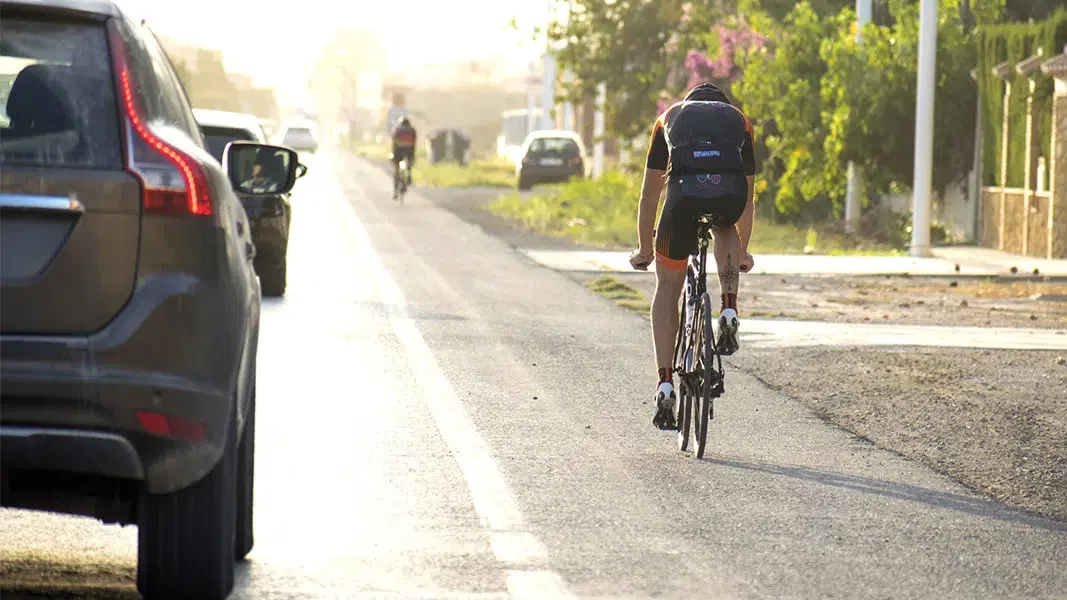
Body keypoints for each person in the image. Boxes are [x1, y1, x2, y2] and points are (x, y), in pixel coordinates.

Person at [628, 83, 757, 430]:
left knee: (668, 287)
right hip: (728, 193)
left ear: (691, 103)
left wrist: (644, 248)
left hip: (682, 199)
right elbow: (748, 198)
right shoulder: (739, 121)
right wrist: (743, 251)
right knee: (726, 226)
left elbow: (649, 195)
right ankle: (729, 305)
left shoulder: (669, 118)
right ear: (722, 105)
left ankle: (666, 382)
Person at [391, 116, 417, 186]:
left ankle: (397, 175)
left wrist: (393, 153)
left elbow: (394, 142)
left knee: (397, 163)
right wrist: (413, 155)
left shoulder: (398, 129)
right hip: (409, 148)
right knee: (409, 161)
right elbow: (414, 143)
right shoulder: (412, 130)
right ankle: (408, 174)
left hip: (399, 148)